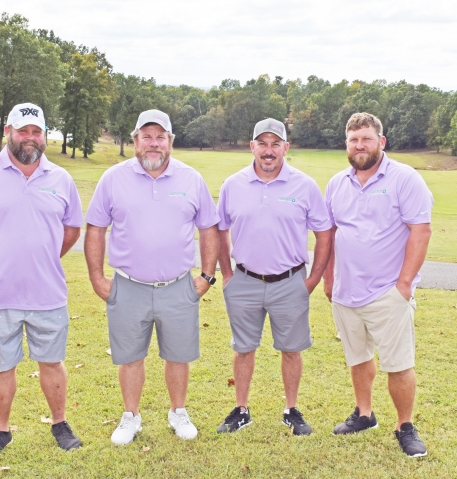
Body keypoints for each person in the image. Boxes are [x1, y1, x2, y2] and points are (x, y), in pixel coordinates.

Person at [0, 103, 83, 461]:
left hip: (47, 293)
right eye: (23, 130)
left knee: (51, 362)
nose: (30, 137)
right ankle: (1, 432)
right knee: (1, 366)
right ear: (8, 131)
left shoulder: (61, 179)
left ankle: (59, 423)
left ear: (44, 135)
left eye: (36, 131)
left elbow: (71, 231)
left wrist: (46, 259)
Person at [84, 109, 219, 445]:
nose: (154, 144)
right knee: (130, 356)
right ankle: (131, 416)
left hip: (178, 286)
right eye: (147, 136)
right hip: (129, 286)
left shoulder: (191, 179)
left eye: (161, 137)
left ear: (170, 142)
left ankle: (178, 412)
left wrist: (206, 276)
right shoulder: (113, 179)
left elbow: (209, 229)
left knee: (178, 354)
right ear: (135, 141)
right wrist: (97, 278)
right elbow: (96, 229)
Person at [323, 112, 433, 457]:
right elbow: (330, 235)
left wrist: (404, 284)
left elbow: (421, 230)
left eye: (367, 139)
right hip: (346, 291)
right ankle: (364, 414)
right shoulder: (337, 183)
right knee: (358, 357)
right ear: (346, 144)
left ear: (381, 142)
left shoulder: (404, 179)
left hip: (388, 292)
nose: (360, 146)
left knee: (398, 364)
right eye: (354, 140)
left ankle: (404, 425)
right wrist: (329, 280)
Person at [216, 118, 332, 435]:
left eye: (275, 144)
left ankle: (291, 410)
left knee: (291, 349)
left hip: (290, 282)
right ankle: (241, 409)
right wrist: (227, 273)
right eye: (263, 144)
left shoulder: (305, 186)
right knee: (243, 348)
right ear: (252, 146)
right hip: (244, 280)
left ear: (286, 147)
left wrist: (312, 280)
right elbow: (218, 230)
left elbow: (324, 233)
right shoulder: (233, 185)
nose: (269, 151)